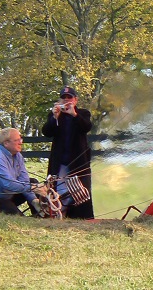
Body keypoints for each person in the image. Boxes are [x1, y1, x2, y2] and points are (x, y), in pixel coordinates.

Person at [42, 86, 94, 219]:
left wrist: (74, 114)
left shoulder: (83, 113)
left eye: (69, 97)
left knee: (80, 191)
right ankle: (58, 214)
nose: (66, 100)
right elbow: (47, 132)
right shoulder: (55, 115)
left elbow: (86, 127)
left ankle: (81, 218)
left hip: (78, 162)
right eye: (63, 98)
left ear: (75, 100)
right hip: (60, 162)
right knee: (58, 188)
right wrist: (54, 117)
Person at [0, 127, 44, 215]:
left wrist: (34, 199)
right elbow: (8, 184)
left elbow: (24, 181)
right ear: (6, 143)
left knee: (33, 182)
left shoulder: (17, 155)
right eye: (17, 140)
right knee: (19, 218)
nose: (21, 142)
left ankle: (40, 213)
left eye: (20, 139)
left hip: (7, 195)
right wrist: (33, 187)